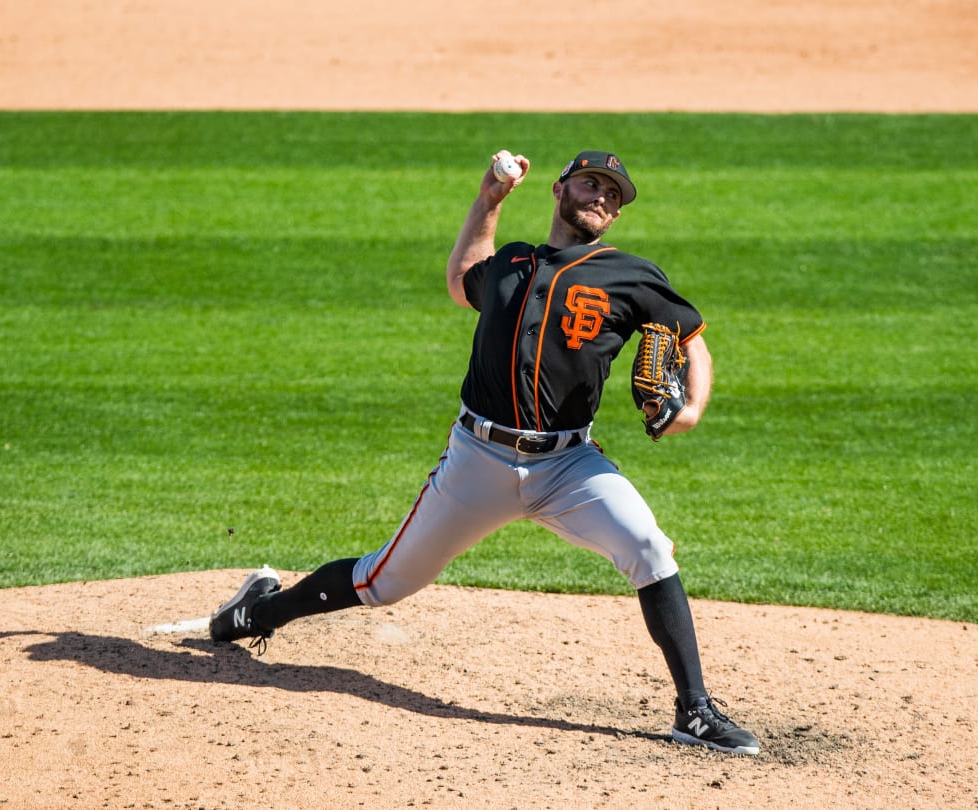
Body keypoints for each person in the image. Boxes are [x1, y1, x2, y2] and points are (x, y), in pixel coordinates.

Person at [210, 149, 760, 756]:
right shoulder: (512, 263)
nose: (601, 196)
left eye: (613, 192)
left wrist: (692, 408)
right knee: (383, 582)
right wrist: (488, 201)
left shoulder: (631, 275)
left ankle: (695, 711)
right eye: (590, 183)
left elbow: (694, 341)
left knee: (649, 548)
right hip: (479, 459)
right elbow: (459, 280)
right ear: (559, 191)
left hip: (569, 466)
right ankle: (258, 614)